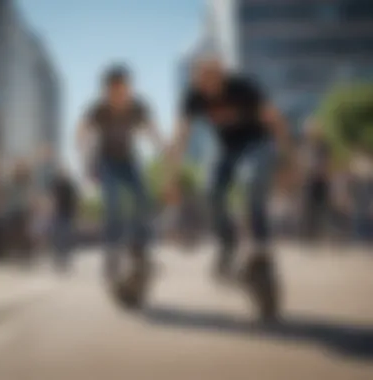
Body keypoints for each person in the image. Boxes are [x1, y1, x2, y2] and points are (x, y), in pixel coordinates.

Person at [167, 56, 292, 318]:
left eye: (212, 80)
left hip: (257, 143)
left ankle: (260, 243)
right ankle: (227, 243)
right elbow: (181, 135)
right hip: (226, 149)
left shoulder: (242, 89)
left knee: (252, 179)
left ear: (221, 75)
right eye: (201, 82)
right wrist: (172, 176)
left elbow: (276, 120)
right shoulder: (194, 97)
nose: (207, 87)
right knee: (210, 188)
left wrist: (285, 160)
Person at [77, 64, 163, 305]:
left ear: (129, 88)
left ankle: (140, 248)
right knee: (113, 201)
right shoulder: (99, 110)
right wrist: (83, 150)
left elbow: (151, 130)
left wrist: (163, 149)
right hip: (106, 161)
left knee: (143, 198)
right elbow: (82, 130)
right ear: (107, 91)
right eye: (114, 91)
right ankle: (113, 251)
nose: (119, 96)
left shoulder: (138, 107)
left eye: (124, 90)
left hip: (129, 160)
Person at [50, 167, 79, 273]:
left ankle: (65, 259)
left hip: (67, 214)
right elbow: (53, 198)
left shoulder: (69, 186)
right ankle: (59, 259)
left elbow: (75, 199)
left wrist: (74, 212)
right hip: (59, 214)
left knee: (65, 237)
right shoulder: (57, 185)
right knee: (59, 237)